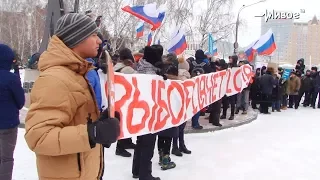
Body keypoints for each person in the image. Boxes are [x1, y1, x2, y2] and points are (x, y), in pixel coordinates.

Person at [24, 13, 120, 180]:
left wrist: (100, 124)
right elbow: (39, 137)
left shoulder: (78, 74)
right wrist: (92, 133)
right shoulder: (55, 79)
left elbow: (77, 121)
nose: (99, 41)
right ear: (77, 38)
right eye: (93, 34)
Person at [132, 45, 163, 180]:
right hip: (150, 112)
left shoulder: (139, 68)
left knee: (140, 141)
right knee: (148, 144)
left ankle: (137, 170)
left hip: (139, 111)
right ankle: (145, 174)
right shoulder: (151, 74)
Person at [0, 44, 25, 180]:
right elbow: (20, 102)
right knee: (6, 159)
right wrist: (16, 76)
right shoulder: (11, 79)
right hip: (8, 126)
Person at [114, 48, 137, 157]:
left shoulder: (116, 67)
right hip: (126, 98)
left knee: (123, 121)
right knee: (125, 122)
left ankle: (127, 142)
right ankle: (120, 147)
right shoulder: (127, 69)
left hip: (117, 97)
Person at [171, 57, 192, 157]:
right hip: (182, 104)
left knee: (179, 126)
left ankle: (179, 145)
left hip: (177, 104)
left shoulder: (176, 74)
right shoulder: (184, 76)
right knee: (180, 127)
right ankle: (177, 146)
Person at [209, 59, 228, 126]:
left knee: (215, 105)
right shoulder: (218, 71)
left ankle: (211, 119)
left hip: (217, 89)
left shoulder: (217, 70)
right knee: (217, 106)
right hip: (217, 90)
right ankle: (215, 121)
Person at [221, 55, 238, 120]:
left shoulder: (236, 67)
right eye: (230, 58)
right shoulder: (227, 65)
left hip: (232, 86)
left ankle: (232, 115)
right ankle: (224, 114)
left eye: (231, 58)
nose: (230, 59)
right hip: (226, 85)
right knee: (225, 100)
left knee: (232, 101)